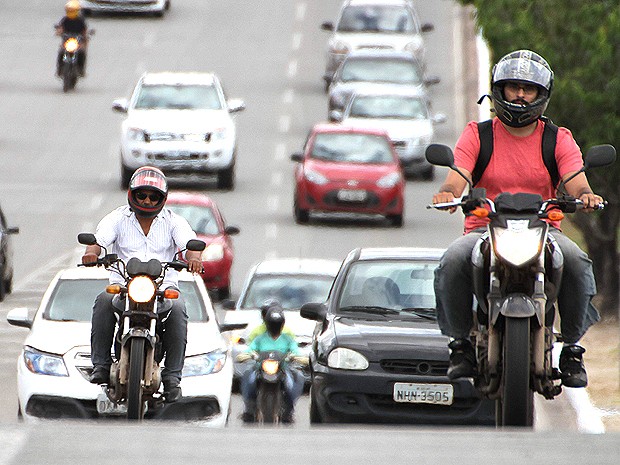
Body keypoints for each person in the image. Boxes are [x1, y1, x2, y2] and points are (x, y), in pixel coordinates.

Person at [432, 50, 604, 388]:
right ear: (499, 89)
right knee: (452, 260)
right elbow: (458, 175)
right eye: (513, 87)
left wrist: (585, 194)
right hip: (485, 228)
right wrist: (448, 193)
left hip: (543, 229)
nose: (521, 95)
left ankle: (572, 348)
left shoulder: (558, 138)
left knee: (577, 261)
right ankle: (459, 345)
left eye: (529, 89)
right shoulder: (477, 134)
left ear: (542, 95)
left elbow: (575, 178)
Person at [82, 166, 203, 402]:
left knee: (178, 309)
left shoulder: (174, 222)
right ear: (132, 194)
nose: (147, 200)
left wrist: (194, 259)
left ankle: (172, 378)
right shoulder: (116, 218)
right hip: (124, 287)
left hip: (162, 289)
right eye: (142, 195)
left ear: (162, 199)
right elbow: (99, 240)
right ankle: (101, 364)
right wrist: (91, 253)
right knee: (104, 300)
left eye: (153, 196)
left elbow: (189, 244)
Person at [238, 306, 305, 423]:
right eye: (273, 324)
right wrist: (250, 356)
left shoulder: (287, 339)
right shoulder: (259, 339)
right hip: (260, 369)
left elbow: (297, 352)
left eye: (277, 324)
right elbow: (247, 352)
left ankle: (289, 411)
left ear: (282, 324)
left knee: (293, 384)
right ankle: (249, 409)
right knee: (248, 378)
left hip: (282, 370)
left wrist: (294, 357)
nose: (275, 327)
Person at [55, 0, 88, 77]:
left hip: (77, 41)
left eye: (72, 10)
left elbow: (84, 31)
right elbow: (60, 28)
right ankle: (59, 69)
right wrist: (59, 32)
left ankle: (81, 69)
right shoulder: (65, 19)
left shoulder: (80, 20)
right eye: (69, 10)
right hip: (67, 40)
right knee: (61, 52)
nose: (71, 11)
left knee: (82, 53)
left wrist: (85, 37)